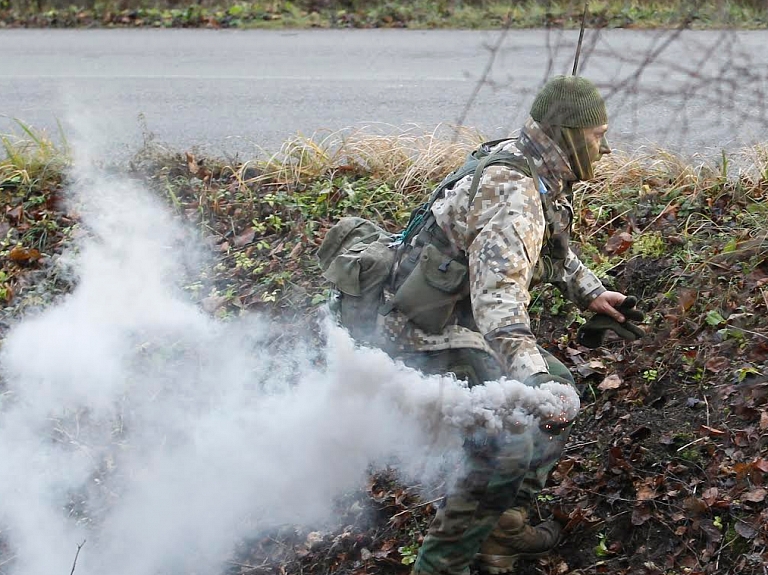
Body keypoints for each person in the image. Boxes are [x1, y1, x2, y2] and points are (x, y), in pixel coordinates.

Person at [371, 75, 643, 575]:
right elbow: (500, 305)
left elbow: (552, 246)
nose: (605, 149)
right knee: (511, 433)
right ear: (567, 135)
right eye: (597, 136)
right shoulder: (513, 196)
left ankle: (502, 527)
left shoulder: (530, 163)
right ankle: (440, 564)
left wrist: (592, 293)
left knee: (556, 388)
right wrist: (530, 381)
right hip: (422, 332)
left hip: (459, 315)